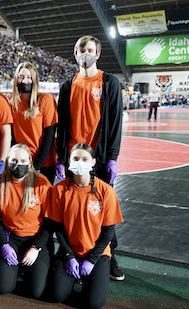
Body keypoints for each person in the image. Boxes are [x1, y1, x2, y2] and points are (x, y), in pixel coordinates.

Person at [56, 35, 124, 281]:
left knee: (103, 211)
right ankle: (69, 252)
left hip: (99, 158)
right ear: (75, 54)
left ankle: (108, 254)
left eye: (91, 50)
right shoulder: (67, 86)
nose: (86, 53)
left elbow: (115, 123)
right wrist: (61, 157)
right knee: (72, 208)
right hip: (74, 159)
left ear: (98, 54)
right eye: (82, 50)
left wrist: (113, 157)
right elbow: (62, 125)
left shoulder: (109, 83)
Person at [47, 143, 124, 309]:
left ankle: (89, 276)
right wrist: (69, 256)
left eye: (84, 159)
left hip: (96, 254)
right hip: (70, 251)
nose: (80, 162)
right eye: (75, 158)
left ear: (93, 162)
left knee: (93, 304)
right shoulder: (59, 190)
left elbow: (109, 231)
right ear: (69, 161)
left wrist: (91, 260)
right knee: (55, 295)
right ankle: (73, 276)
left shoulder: (106, 191)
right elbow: (58, 228)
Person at [0, 144, 52, 299]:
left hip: (36, 240)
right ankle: (15, 266)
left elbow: (50, 221)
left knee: (35, 291)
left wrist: (36, 248)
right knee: (2, 287)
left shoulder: (42, 184)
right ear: (7, 162)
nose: (18, 165)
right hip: (11, 238)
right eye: (14, 161)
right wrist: (4, 244)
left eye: (23, 160)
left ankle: (29, 267)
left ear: (30, 163)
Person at [11, 62, 58, 184]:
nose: (25, 81)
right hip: (21, 163)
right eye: (21, 77)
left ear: (34, 80)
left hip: (44, 163)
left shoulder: (45, 99)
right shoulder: (13, 104)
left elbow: (49, 134)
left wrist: (37, 164)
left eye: (29, 77)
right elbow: (12, 137)